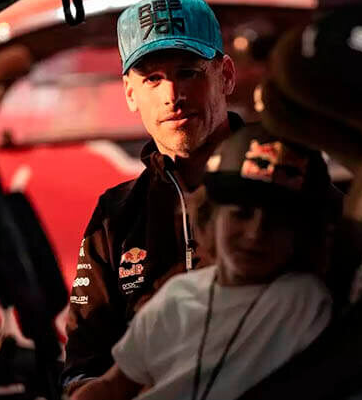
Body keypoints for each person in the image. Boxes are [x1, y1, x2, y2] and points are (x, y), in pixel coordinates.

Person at [70, 124, 333, 400]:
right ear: (209, 219)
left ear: (303, 235)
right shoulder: (177, 296)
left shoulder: (304, 300)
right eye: (241, 214)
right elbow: (113, 386)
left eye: (276, 221)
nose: (255, 232)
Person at [62, 0, 241, 393]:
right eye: (153, 79)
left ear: (226, 75)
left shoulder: (286, 180)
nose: (171, 95)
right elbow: (83, 361)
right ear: (130, 93)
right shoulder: (115, 214)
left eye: (188, 72)